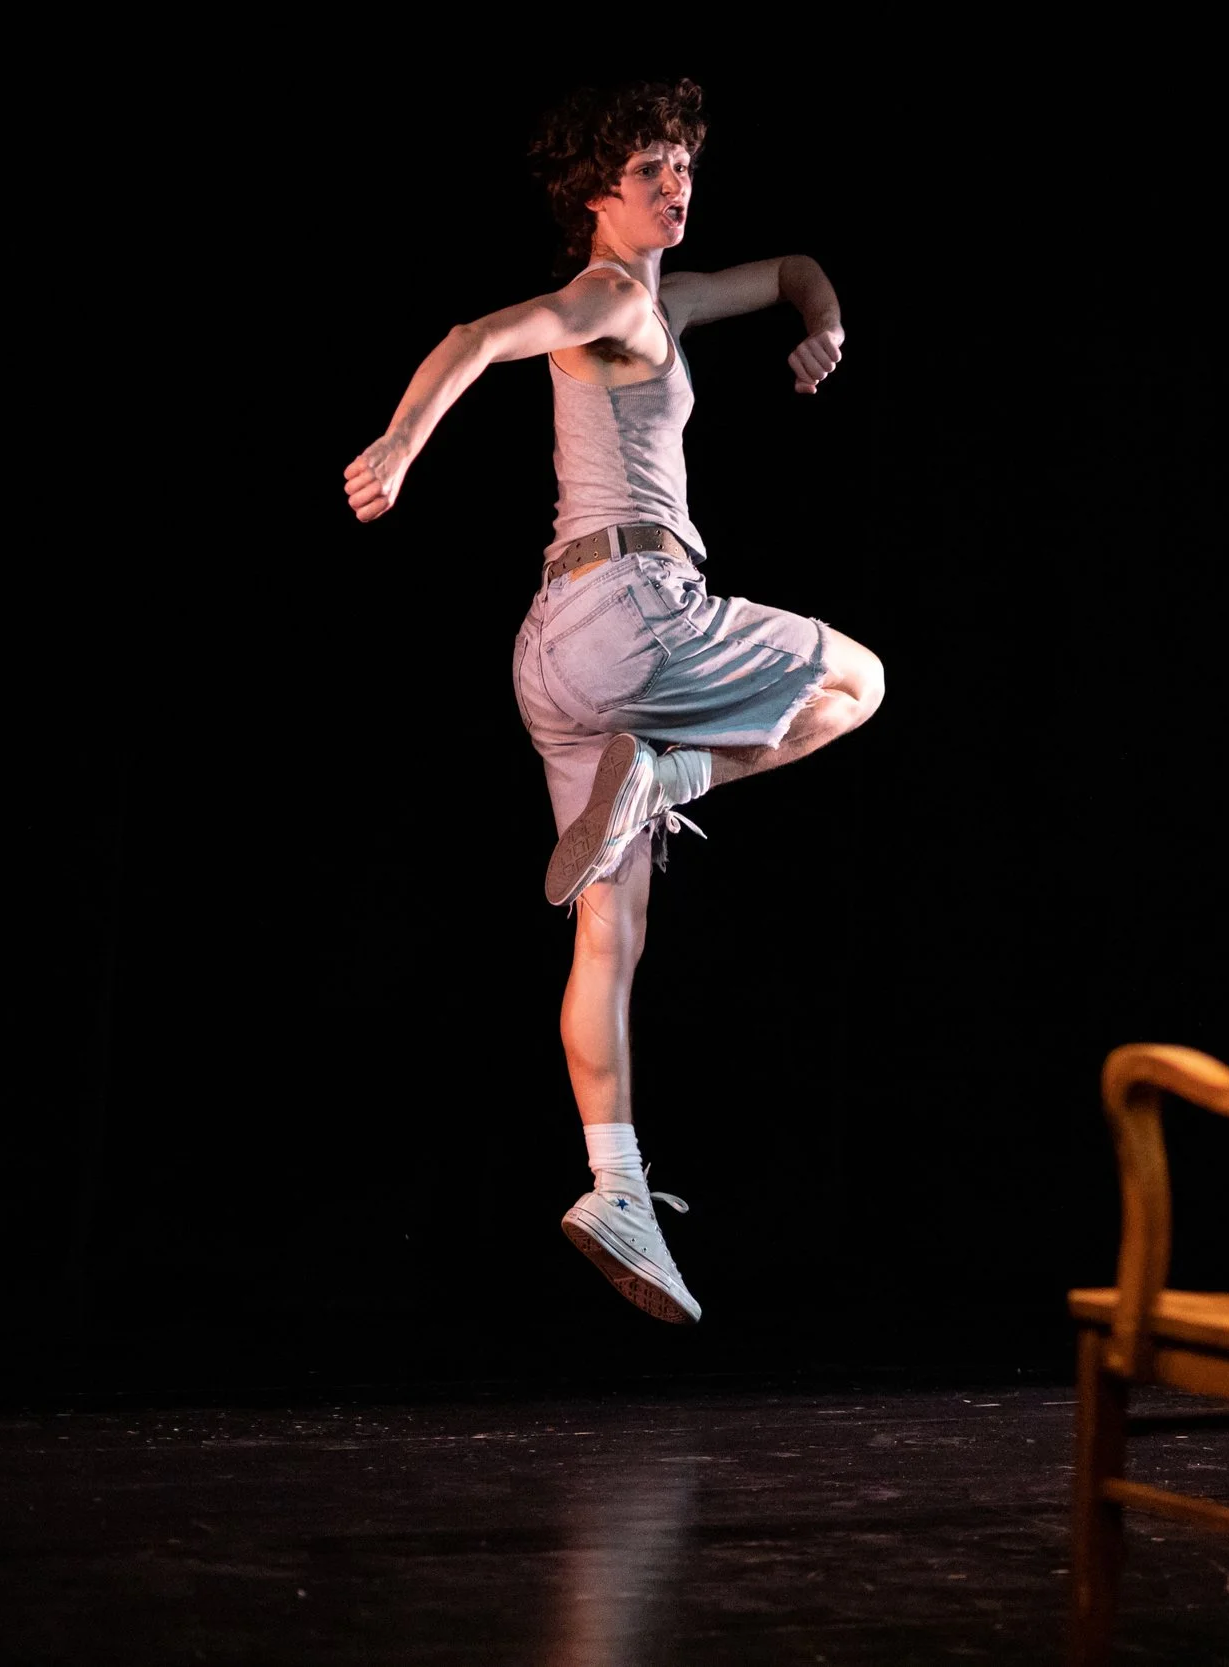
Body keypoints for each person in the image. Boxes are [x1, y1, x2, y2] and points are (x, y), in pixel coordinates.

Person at [341, 78, 884, 1325]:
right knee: (860, 680)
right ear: (596, 193)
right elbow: (480, 336)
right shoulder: (606, 297)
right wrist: (401, 444)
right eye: (651, 170)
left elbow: (793, 268)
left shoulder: (668, 298)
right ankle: (673, 771)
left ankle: (616, 1185)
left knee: (611, 930)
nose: (677, 185)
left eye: (685, 164)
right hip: (634, 613)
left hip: (554, 650)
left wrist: (823, 324)